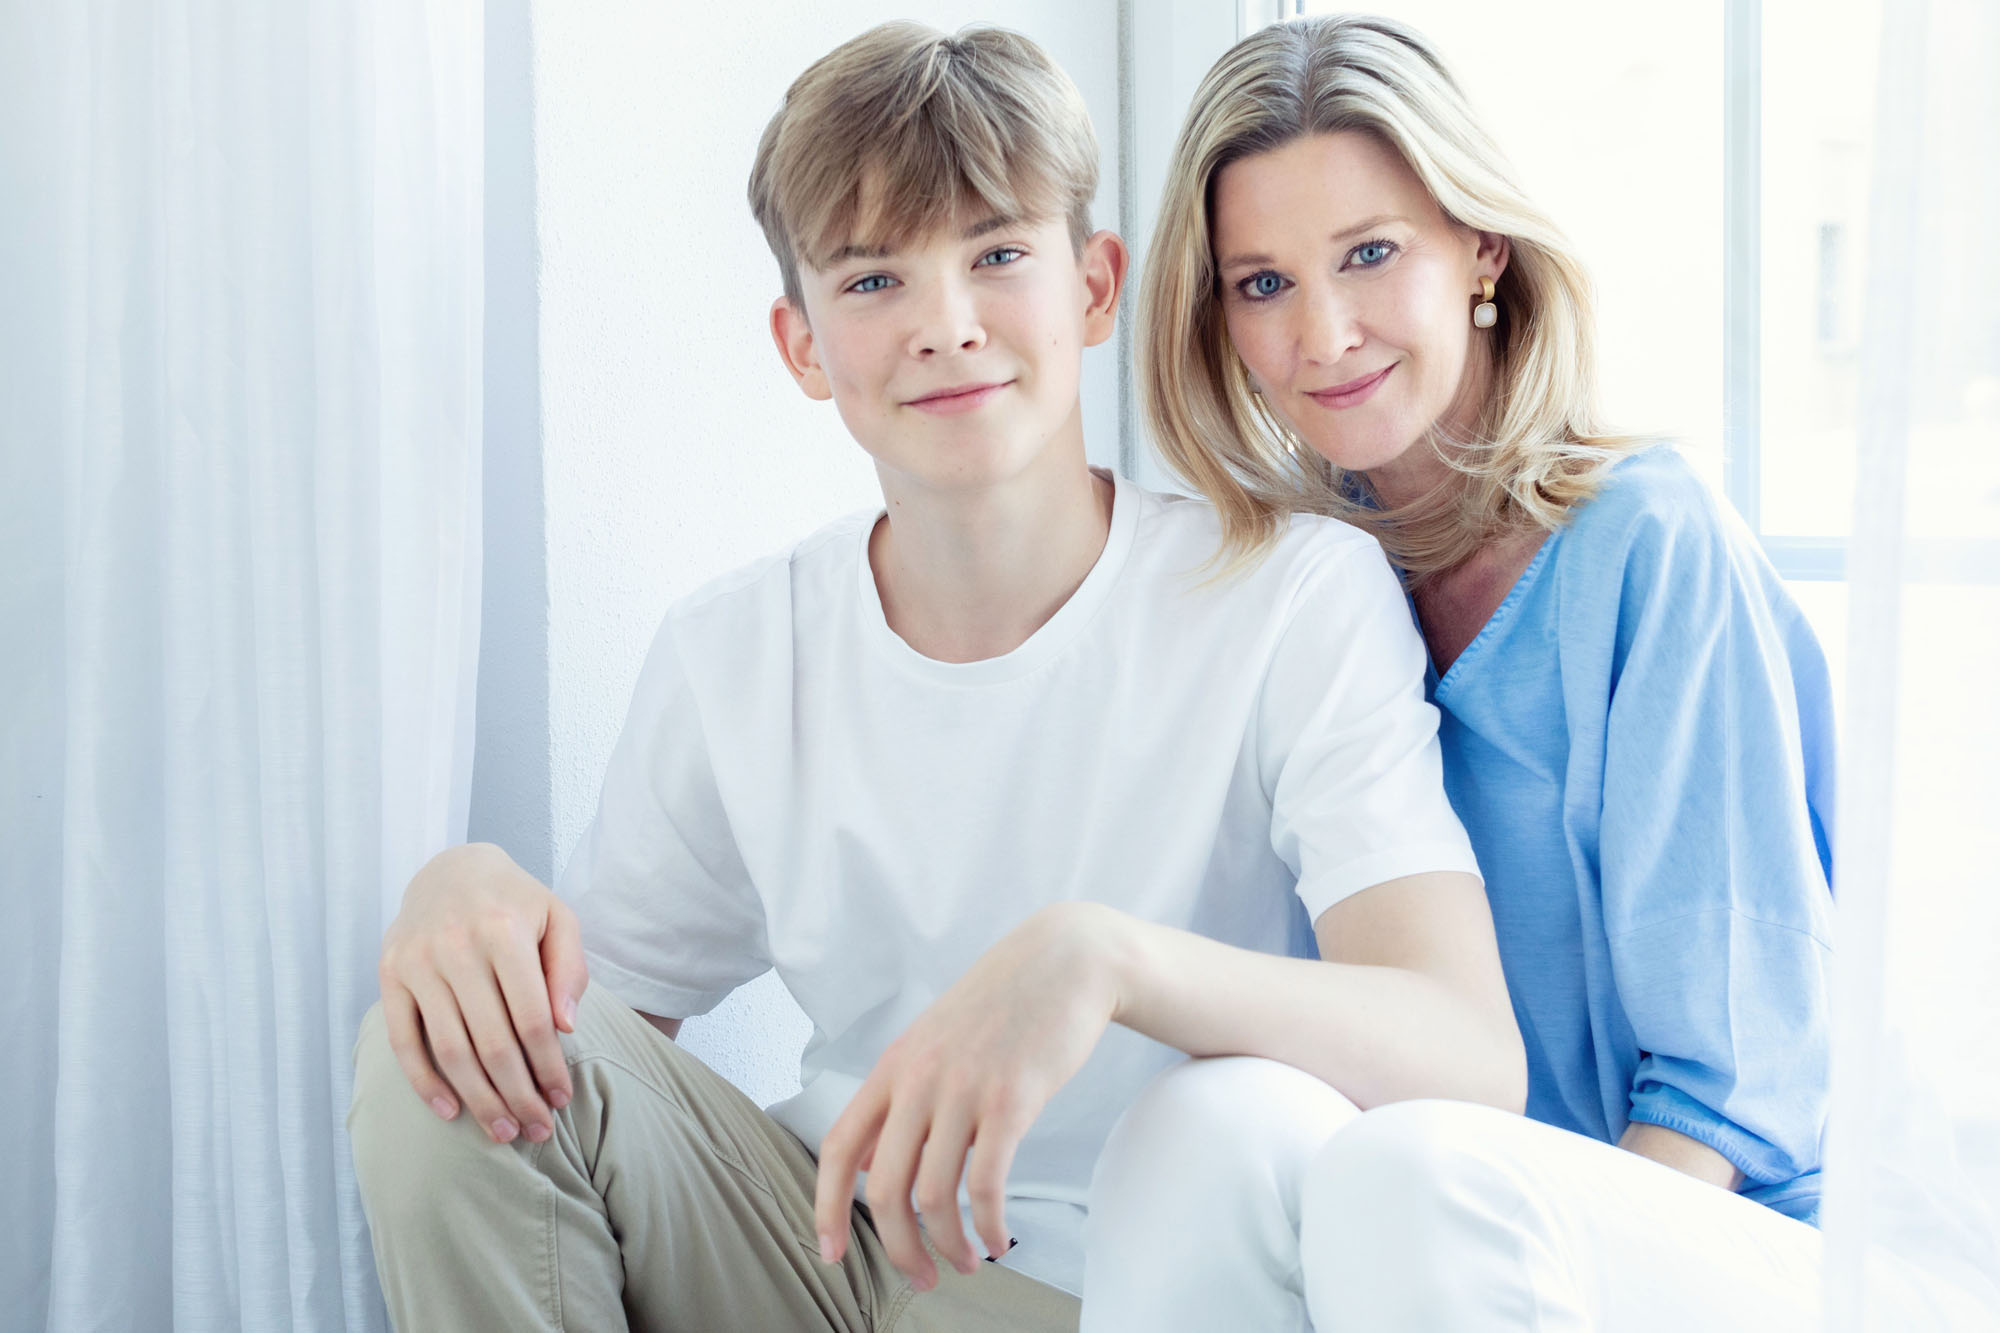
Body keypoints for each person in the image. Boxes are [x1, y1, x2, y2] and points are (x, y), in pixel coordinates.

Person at [346, 21, 1526, 1332]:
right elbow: (574, 1047)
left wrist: (1103, 959)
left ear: (1092, 286)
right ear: (801, 344)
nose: (945, 327)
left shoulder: (1286, 595)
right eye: (872, 282)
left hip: (1106, 1285)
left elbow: (1465, 1049)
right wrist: (458, 892)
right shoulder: (733, 650)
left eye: (998, 255)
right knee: (436, 1054)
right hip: (818, 1242)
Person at [1082, 13, 1998, 1331]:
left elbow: (1731, 1087)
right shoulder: (1297, 593)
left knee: (1414, 1165)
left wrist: (1532, 1245)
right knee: (1206, 1119)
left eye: (1370, 254)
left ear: (1482, 251)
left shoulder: (1649, 545)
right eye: (1263, 283)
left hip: (1751, 1233)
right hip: (1463, 1231)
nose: (1323, 332)